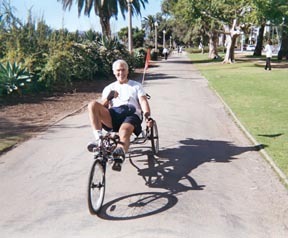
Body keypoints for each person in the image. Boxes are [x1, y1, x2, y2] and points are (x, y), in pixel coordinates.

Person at [87, 59, 152, 170]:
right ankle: (99, 140)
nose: (121, 73)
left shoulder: (136, 86)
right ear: (114, 72)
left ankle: (119, 155)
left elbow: (143, 101)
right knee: (92, 105)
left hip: (131, 114)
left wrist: (147, 116)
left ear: (127, 71)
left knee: (124, 131)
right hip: (113, 115)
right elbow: (102, 107)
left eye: (123, 70)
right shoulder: (109, 88)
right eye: (118, 70)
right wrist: (109, 98)